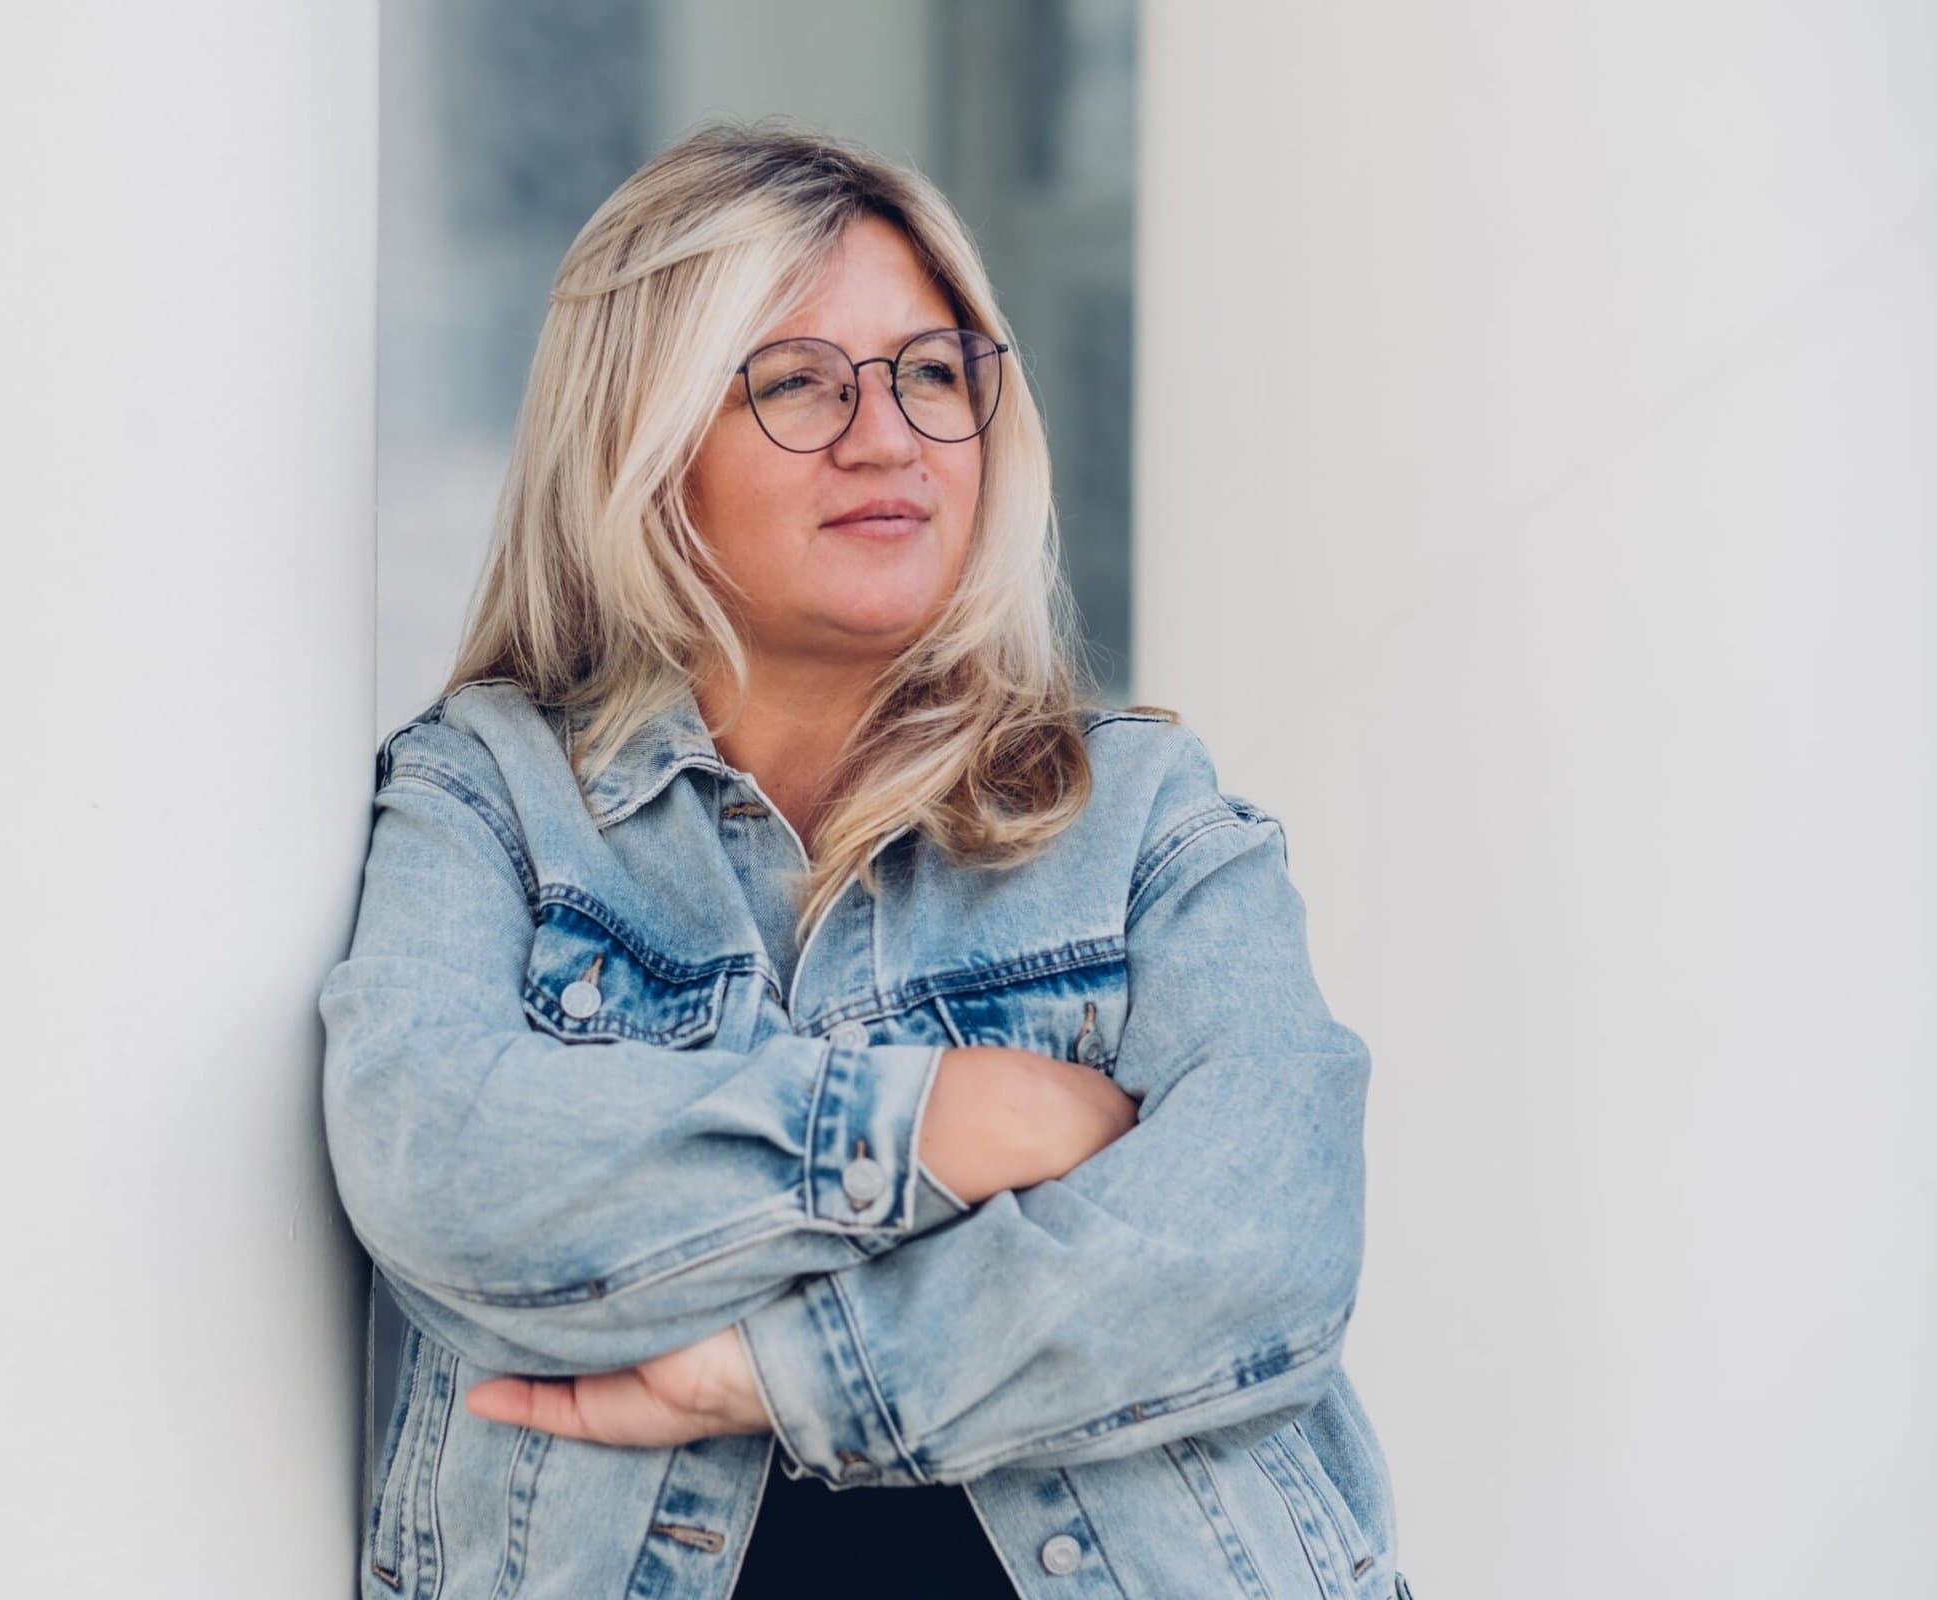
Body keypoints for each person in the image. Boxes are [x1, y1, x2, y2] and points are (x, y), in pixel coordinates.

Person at [319, 119, 1409, 1600]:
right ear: (641, 445)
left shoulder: (1143, 814)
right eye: (796, 384)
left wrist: (778, 1373)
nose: (887, 435)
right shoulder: (493, 799)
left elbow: (1266, 1229)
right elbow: (443, 1169)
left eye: (932, 373)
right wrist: (949, 1124)